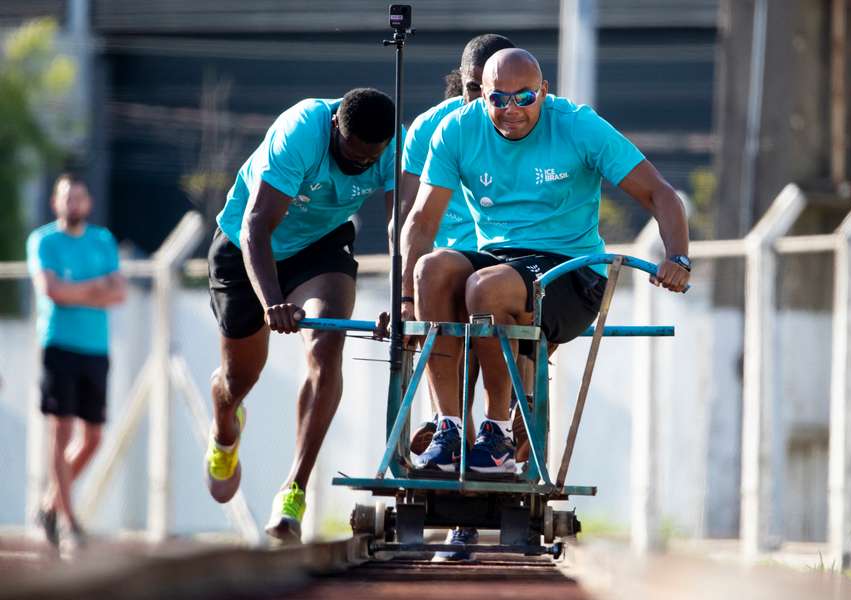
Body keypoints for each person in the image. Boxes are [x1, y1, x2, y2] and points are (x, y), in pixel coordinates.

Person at [400, 48, 690, 476]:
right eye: (498, 99)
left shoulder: (578, 125)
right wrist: (406, 301)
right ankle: (450, 429)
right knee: (432, 270)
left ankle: (497, 434)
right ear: (481, 95)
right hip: (499, 261)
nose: (511, 109)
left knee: (484, 288)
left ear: (544, 91)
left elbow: (659, 192)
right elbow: (421, 221)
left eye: (524, 97)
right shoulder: (456, 129)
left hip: (571, 270)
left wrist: (678, 255)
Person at [206, 87, 397, 544]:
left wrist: (403, 300)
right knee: (239, 378)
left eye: (370, 159)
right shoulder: (301, 132)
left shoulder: (395, 147)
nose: (360, 166)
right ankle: (225, 428)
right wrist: (272, 301)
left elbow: (402, 229)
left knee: (326, 350)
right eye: (352, 155)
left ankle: (293, 489)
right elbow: (255, 227)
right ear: (335, 128)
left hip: (320, 247)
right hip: (249, 248)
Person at [398, 33, 516, 562]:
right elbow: (408, 218)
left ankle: (501, 471)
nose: (479, 100)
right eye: (471, 88)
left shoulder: (519, 124)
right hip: (443, 277)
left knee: (514, 382)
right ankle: (459, 515)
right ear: (462, 83)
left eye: (487, 90)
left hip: (502, 270)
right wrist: (404, 295)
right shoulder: (433, 128)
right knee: (450, 396)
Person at [26, 173, 127, 548]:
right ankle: (69, 521)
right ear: (56, 202)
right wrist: (94, 290)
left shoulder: (102, 240)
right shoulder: (44, 241)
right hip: (59, 345)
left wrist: (76, 292)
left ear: (89, 202)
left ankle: (50, 504)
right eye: (67, 197)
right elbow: (52, 291)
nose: (74, 203)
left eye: (80, 197)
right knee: (62, 430)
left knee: (94, 437)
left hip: (96, 348)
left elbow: (118, 294)